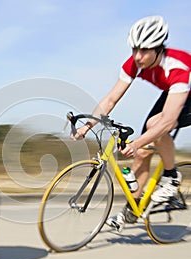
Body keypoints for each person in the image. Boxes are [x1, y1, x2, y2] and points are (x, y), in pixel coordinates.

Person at [72, 16, 191, 232]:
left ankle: (172, 177)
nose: (137, 56)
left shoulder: (176, 66)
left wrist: (135, 143)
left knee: (157, 125)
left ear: (158, 49)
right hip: (171, 94)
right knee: (144, 152)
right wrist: (86, 126)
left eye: (144, 51)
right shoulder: (134, 64)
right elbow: (110, 99)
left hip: (186, 92)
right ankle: (133, 209)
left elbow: (168, 121)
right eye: (135, 49)